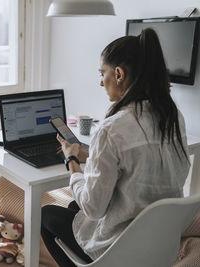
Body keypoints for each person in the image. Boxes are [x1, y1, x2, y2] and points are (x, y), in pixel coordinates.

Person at [41, 28, 191, 266]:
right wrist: (92, 156)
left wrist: (72, 161)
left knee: (46, 215)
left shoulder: (111, 129)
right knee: (72, 206)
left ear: (119, 73)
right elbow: (141, 161)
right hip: (160, 243)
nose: (101, 81)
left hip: (120, 249)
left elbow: (92, 209)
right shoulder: (174, 119)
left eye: (103, 73)